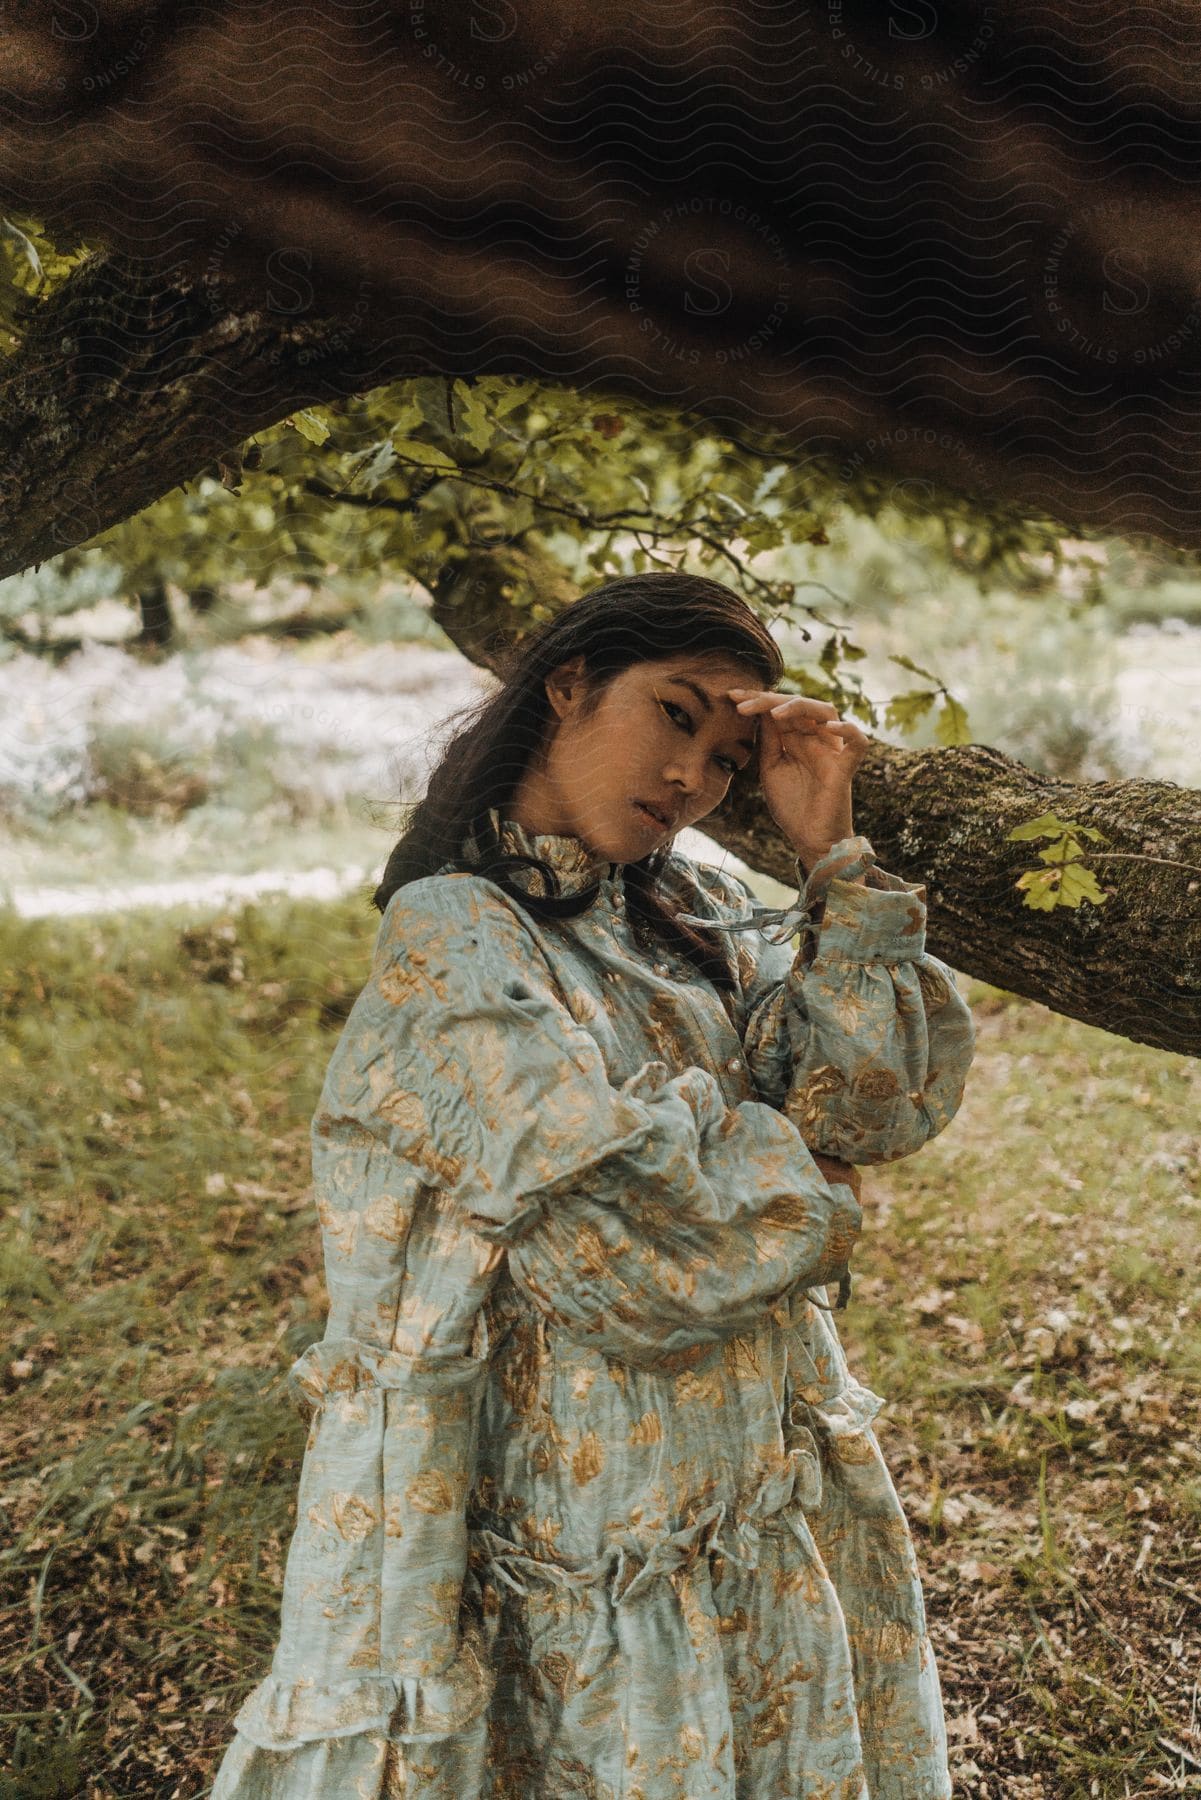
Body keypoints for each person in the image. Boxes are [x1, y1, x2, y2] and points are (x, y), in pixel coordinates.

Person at [210, 571, 976, 1799]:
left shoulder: (690, 905)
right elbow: (628, 1251)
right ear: (568, 684)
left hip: (744, 1472)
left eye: (727, 760)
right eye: (674, 716)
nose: (692, 781)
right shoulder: (454, 935)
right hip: (588, 1516)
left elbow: (871, 1103)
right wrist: (799, 1176)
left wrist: (829, 848)